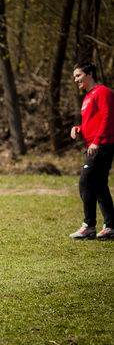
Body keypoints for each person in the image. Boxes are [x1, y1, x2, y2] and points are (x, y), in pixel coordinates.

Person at [68, 61, 114, 240]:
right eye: (74, 77)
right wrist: (79, 128)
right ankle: (110, 226)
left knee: (85, 183)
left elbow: (108, 118)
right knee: (100, 186)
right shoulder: (87, 97)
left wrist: (96, 141)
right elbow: (93, 122)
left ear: (90, 74)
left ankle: (89, 226)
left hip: (101, 145)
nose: (76, 80)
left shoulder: (102, 92)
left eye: (78, 75)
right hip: (94, 144)